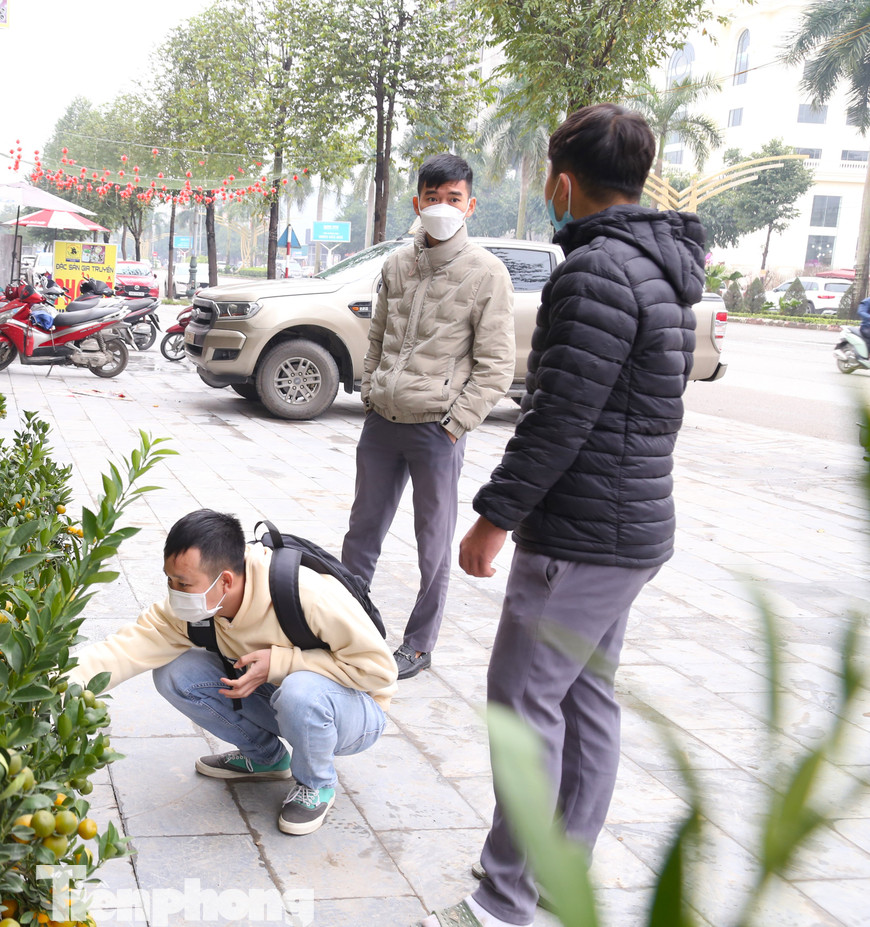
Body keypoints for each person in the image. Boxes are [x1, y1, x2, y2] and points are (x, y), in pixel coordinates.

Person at [422, 104, 705, 927]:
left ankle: (506, 896)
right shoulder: (664, 267)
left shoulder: (596, 272)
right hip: (631, 530)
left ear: (562, 178)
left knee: (523, 709)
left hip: (580, 537)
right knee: (584, 701)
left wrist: (492, 517)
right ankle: (556, 876)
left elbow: (558, 415)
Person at [68, 510, 396, 836]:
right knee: (173, 672)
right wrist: (58, 685)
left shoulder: (307, 595)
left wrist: (282, 663)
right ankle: (266, 759)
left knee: (300, 690)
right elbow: (125, 648)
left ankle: (317, 784)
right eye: (170, 579)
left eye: (184, 583)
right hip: (286, 698)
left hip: (355, 712)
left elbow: (378, 672)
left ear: (225, 579)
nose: (174, 591)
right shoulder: (196, 606)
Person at [342, 152, 515, 681]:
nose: (443, 207)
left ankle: (418, 643)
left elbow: (496, 365)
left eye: (454, 199)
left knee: (432, 541)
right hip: (382, 421)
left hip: (437, 429)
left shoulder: (487, 273)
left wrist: (455, 423)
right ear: (417, 203)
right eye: (433, 198)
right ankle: (347, 624)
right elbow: (377, 337)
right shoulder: (397, 264)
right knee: (361, 532)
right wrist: (370, 389)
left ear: (471, 206)